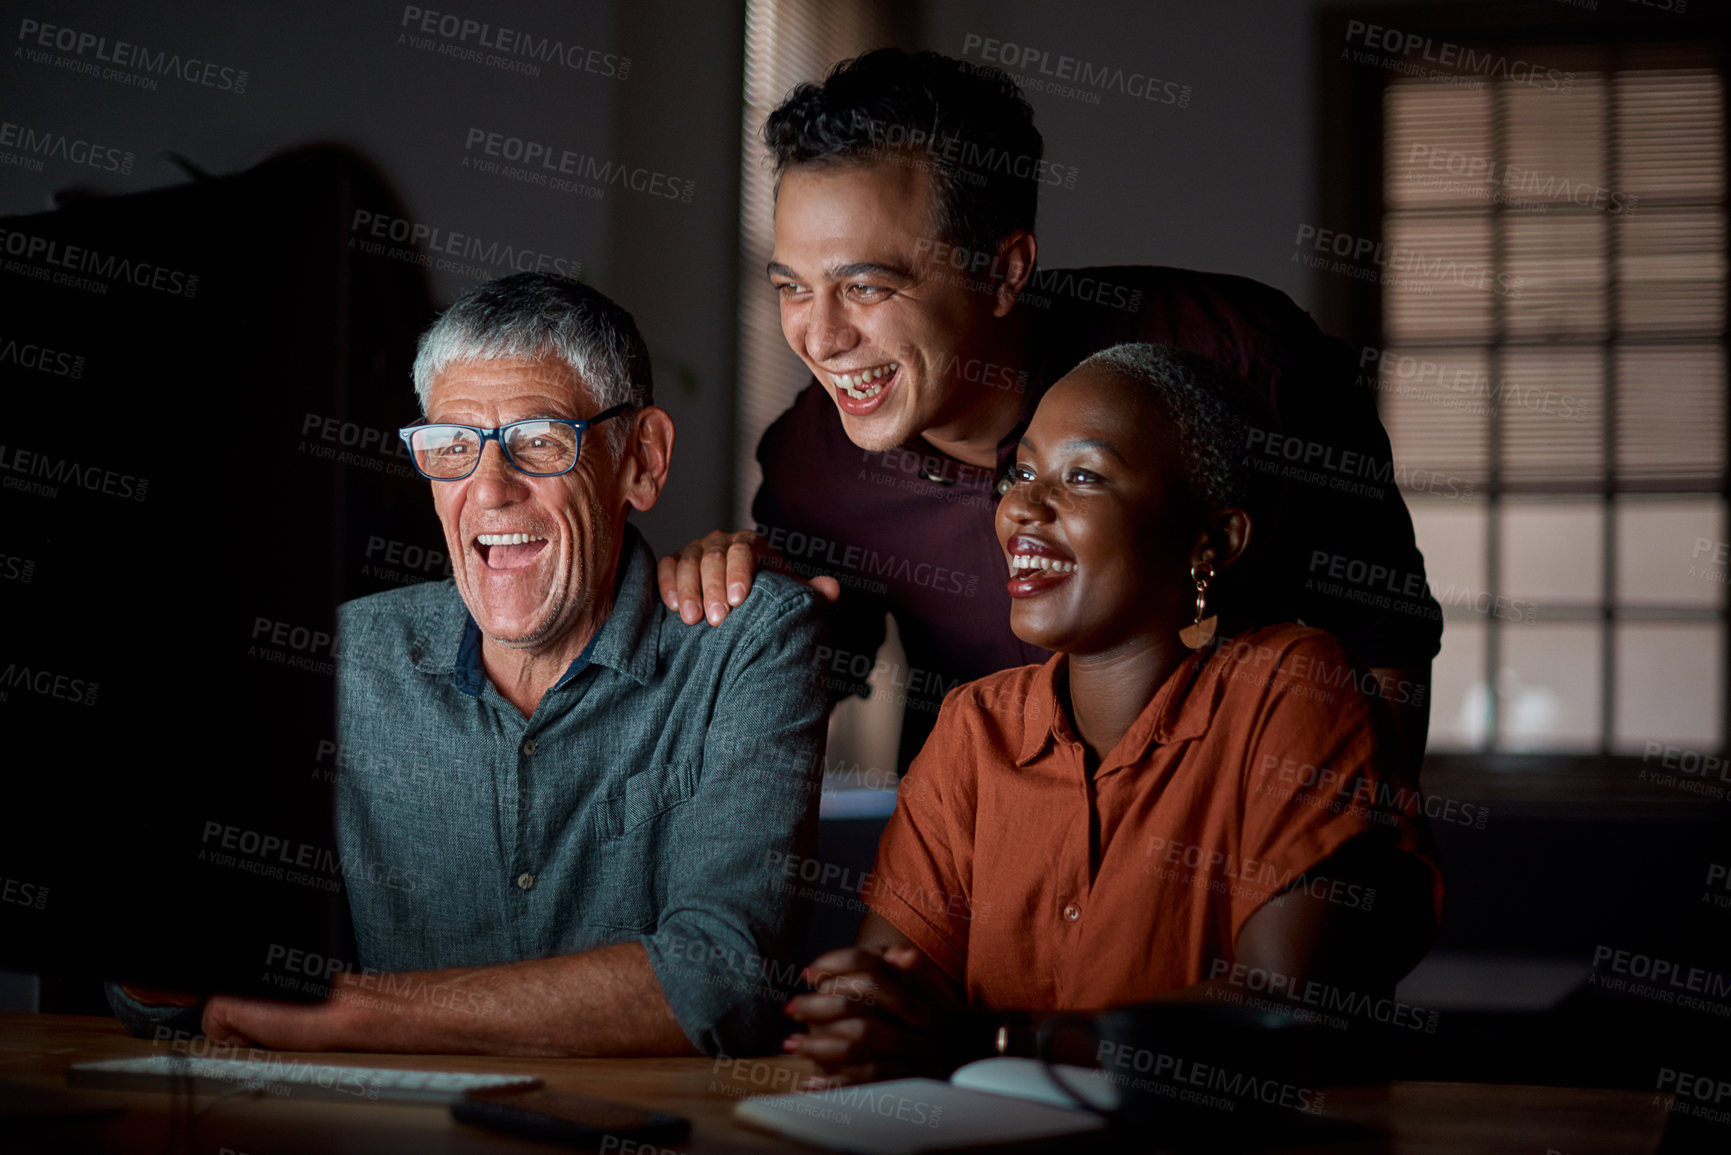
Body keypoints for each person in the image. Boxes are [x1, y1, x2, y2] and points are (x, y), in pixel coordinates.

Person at [108, 273, 829, 1057]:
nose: (489, 488)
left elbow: (725, 980)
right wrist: (161, 963)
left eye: (541, 440)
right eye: (452, 446)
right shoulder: (343, 658)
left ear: (640, 460)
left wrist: (358, 1011)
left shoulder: (750, 641)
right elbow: (190, 982)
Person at [658, 48, 1440, 766]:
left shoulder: (1243, 361)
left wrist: (1366, 876)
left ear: (1003, 271)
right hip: (976, 865)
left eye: (866, 286)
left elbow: (1383, 635)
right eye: (791, 287)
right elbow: (811, 666)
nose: (819, 337)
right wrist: (740, 597)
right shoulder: (810, 461)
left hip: (1237, 851)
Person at [781, 345, 1443, 1085]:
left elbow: (1281, 1011)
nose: (1024, 509)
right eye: (1022, 473)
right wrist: (864, 1014)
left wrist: (993, 1042)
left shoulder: (1286, 688)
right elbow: (898, 986)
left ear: (1211, 542)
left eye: (1084, 477)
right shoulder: (975, 727)